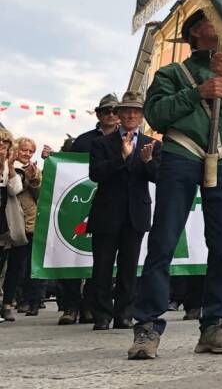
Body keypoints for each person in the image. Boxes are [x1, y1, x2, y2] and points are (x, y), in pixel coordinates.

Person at [129, 8, 222, 360]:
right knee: (163, 240)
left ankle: (215, 323)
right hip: (181, 155)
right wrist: (198, 92)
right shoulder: (172, 73)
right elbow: (156, 115)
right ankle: (147, 325)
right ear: (193, 32)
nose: (219, 24)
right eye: (209, 21)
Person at [86, 91, 161, 330]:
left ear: (141, 116)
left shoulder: (152, 144)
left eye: (136, 111)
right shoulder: (101, 143)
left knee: (129, 268)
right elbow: (96, 174)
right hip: (107, 212)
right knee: (102, 266)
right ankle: (102, 315)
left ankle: (124, 314)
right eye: (127, 110)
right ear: (118, 114)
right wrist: (121, 157)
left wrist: (148, 161)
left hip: (135, 214)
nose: (131, 114)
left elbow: (158, 177)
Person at [57, 92, 121, 326]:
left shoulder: (129, 139)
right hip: (79, 200)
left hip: (112, 204)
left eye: (116, 111)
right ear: (98, 114)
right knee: (72, 253)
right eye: (107, 111)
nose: (112, 115)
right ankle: (70, 305)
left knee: (103, 260)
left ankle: (90, 305)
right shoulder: (83, 141)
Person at [1, 137, 42, 321]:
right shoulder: (8, 166)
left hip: (27, 224)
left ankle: (8, 303)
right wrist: (11, 168)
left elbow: (40, 195)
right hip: (8, 220)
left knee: (17, 267)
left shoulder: (34, 170)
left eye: (30, 151)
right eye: (24, 150)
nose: (27, 154)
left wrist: (34, 179)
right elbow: (14, 190)